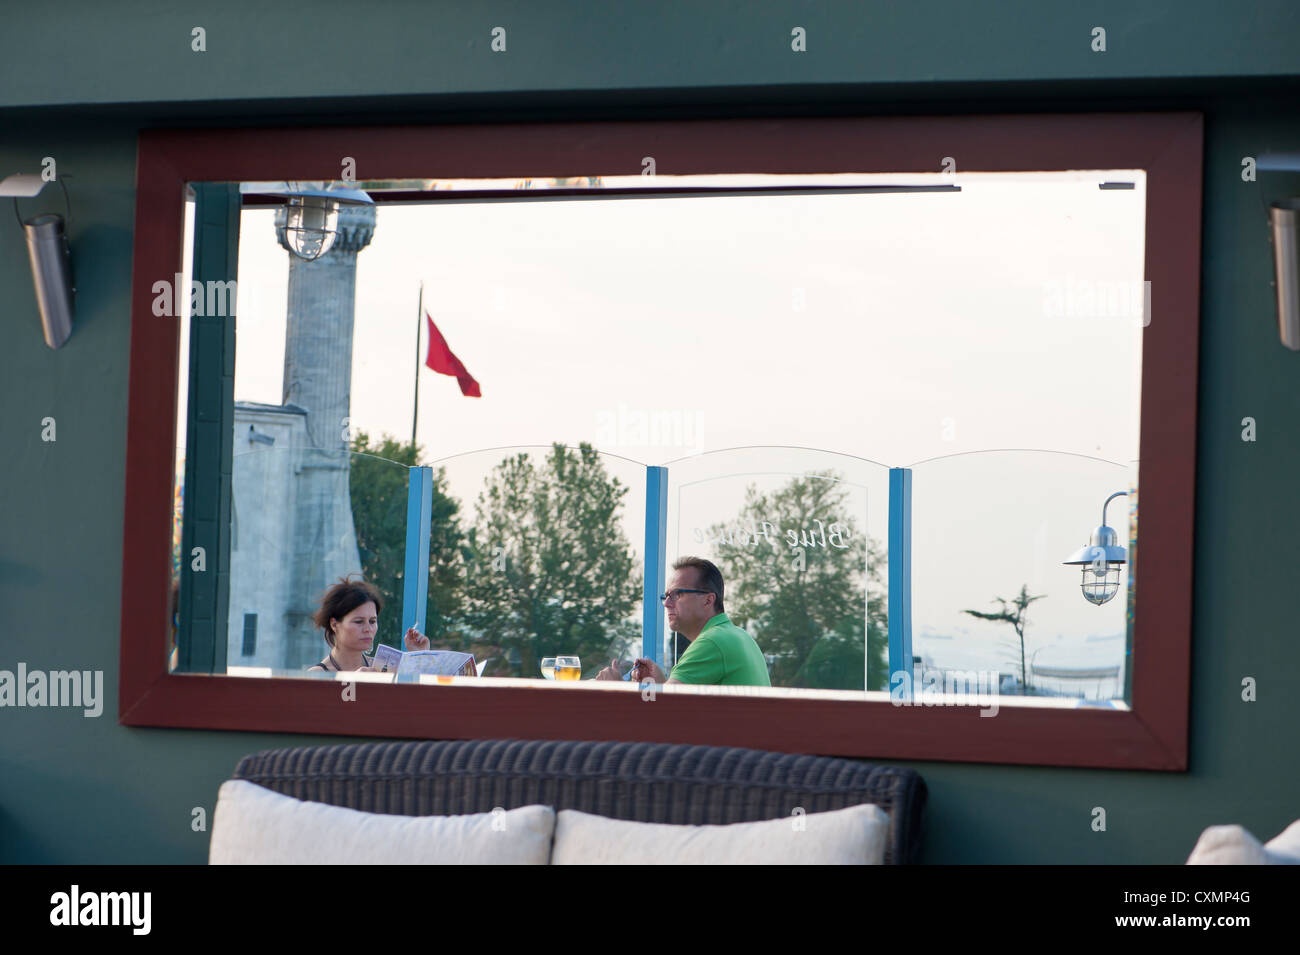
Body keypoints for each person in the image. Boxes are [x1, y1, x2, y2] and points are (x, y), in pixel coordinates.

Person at [596, 557, 770, 687]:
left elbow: (657, 719)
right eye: (666, 596)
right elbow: (673, 709)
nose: (667, 603)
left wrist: (615, 688)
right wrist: (662, 684)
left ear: (708, 600)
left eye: (677, 594)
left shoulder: (711, 642)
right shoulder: (738, 636)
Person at [307, 576, 429, 673]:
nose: (368, 629)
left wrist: (420, 657)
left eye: (372, 621)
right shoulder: (317, 675)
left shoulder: (383, 669)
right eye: (359, 621)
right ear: (334, 624)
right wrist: (353, 684)